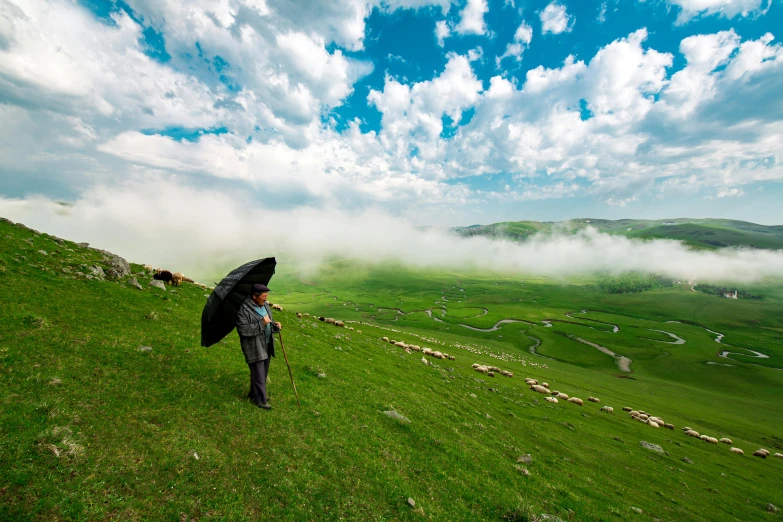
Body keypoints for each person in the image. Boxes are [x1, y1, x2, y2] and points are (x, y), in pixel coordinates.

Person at [235, 283, 281, 409]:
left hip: (266, 344)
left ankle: (254, 394)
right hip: (254, 346)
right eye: (264, 296)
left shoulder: (265, 305)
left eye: (266, 296)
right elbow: (243, 330)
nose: (266, 298)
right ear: (255, 296)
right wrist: (261, 323)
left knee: (262, 373)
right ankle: (260, 400)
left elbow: (269, 322)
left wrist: (275, 326)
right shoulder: (243, 309)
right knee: (259, 374)